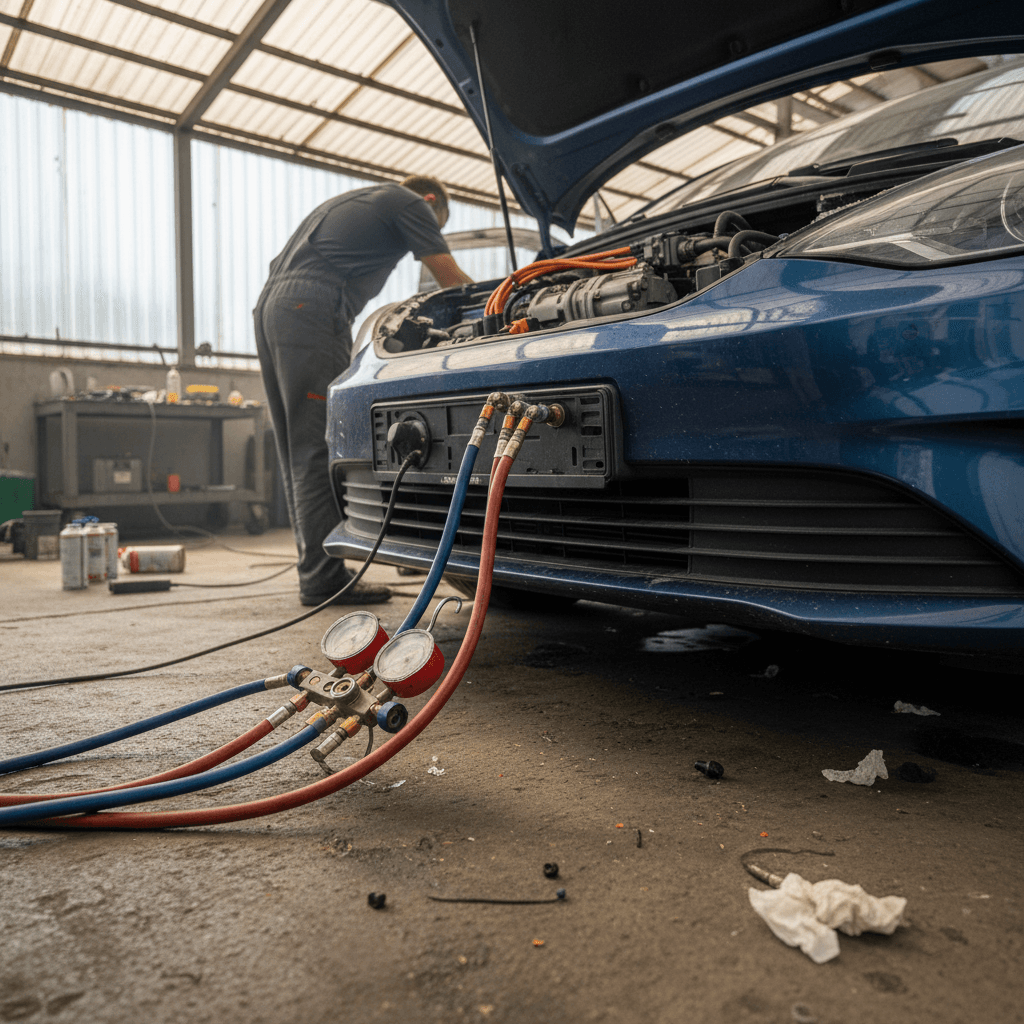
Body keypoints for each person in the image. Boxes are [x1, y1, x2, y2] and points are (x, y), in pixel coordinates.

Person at [254, 175, 473, 606]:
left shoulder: (361, 200)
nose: (433, 231)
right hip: (313, 308)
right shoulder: (412, 203)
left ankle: (316, 571)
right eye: (439, 224)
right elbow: (449, 278)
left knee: (298, 449)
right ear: (432, 202)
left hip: (273, 308)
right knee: (319, 447)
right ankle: (322, 577)